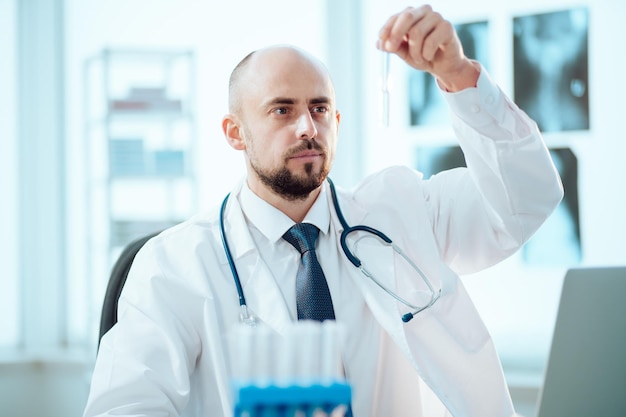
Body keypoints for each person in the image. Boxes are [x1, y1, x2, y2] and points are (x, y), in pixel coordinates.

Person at [83, 4, 563, 417]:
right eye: (281, 110)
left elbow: (526, 200)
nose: (306, 128)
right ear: (234, 132)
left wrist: (458, 76)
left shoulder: (401, 210)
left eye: (319, 108)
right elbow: (125, 406)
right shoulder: (173, 264)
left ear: (336, 120)